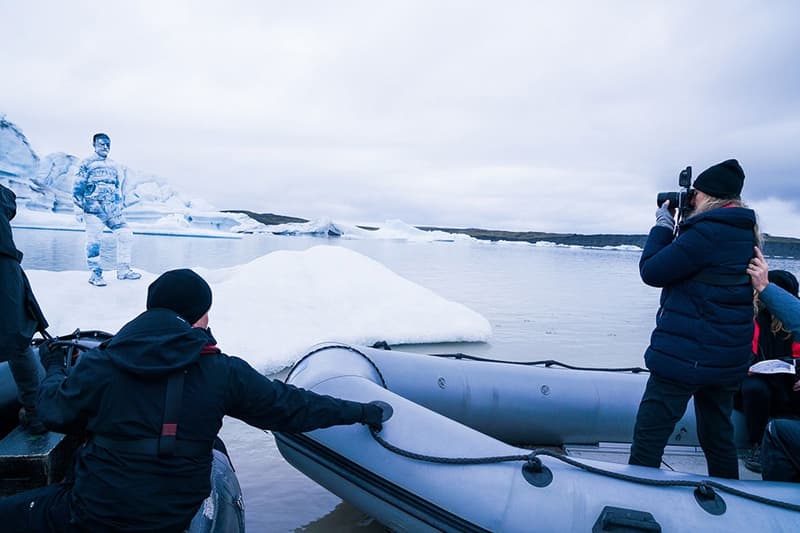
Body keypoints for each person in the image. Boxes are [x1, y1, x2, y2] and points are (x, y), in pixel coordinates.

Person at [0, 268, 388, 531]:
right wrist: (361, 411)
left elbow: (53, 412)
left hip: (92, 514)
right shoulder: (222, 371)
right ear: (201, 316)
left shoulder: (102, 361)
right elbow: (292, 407)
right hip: (174, 515)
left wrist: (53, 368)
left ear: (152, 309)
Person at [628, 159, 758, 479]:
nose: (691, 199)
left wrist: (662, 223)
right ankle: (729, 502)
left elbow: (652, 271)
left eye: (695, 194)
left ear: (709, 197)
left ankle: (635, 499)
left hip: (685, 357)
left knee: (651, 432)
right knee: (718, 437)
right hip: (725, 361)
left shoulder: (707, 233)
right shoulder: (745, 233)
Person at [747, 246, 800, 482]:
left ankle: (780, 499)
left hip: (790, 380)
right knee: (755, 389)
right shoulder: (754, 320)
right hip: (759, 380)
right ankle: (755, 445)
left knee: (779, 428)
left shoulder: (790, 328)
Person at [0, 183, 48, 434]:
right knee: (18, 340)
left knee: (17, 341)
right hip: (6, 270)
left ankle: (36, 411)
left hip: (5, 269)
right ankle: (37, 411)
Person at [72, 132, 140, 286]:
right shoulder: (86, 163)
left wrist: (118, 204)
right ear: (94, 145)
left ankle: (123, 270)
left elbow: (117, 187)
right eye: (102, 143)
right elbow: (77, 186)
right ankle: (95, 274)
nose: (105, 146)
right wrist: (78, 208)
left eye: (108, 144)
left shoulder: (114, 165)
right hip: (93, 208)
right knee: (94, 241)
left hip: (111, 209)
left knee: (125, 234)